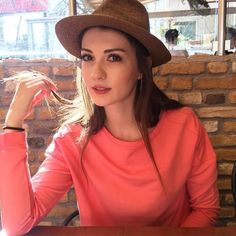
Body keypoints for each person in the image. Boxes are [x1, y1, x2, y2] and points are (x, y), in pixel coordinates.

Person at [0, 0, 219, 235]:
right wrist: (13, 123)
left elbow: (206, 209)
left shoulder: (184, 126)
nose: (96, 73)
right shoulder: (73, 139)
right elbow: (17, 224)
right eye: (88, 57)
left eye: (113, 58)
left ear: (141, 67)